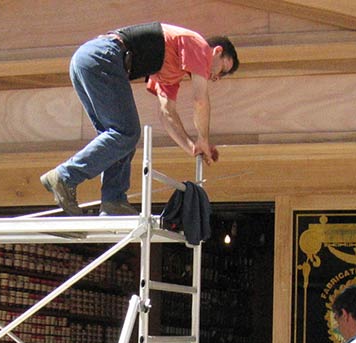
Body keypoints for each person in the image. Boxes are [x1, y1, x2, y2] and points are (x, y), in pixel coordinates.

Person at [40, 22, 239, 216]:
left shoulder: (171, 68)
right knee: (126, 132)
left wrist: (192, 147)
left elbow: (166, 113)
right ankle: (65, 177)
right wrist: (203, 138)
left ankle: (113, 201)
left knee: (118, 138)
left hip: (88, 60)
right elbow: (200, 100)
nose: (217, 77)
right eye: (223, 69)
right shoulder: (198, 44)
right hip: (103, 56)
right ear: (217, 51)